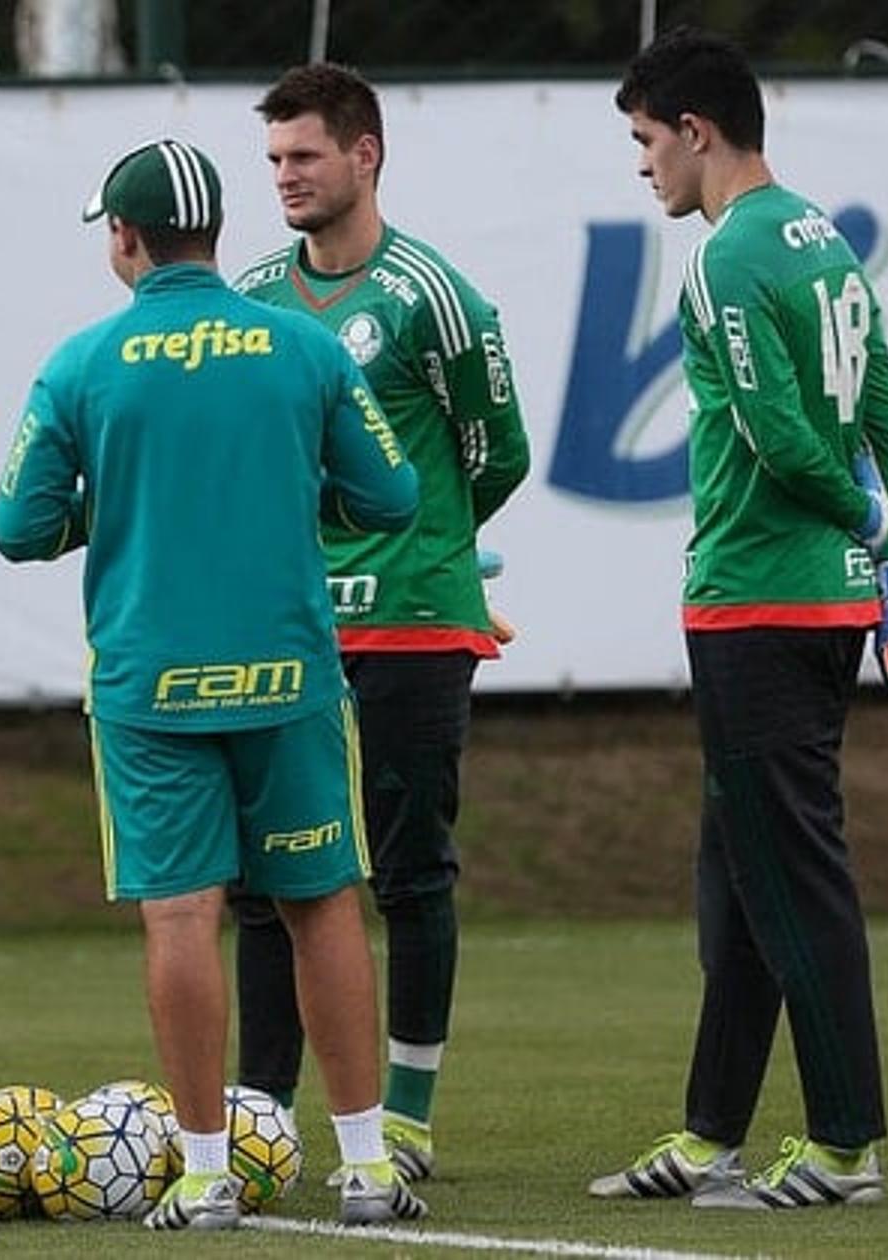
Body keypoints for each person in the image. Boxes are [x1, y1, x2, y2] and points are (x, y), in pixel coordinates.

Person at [0, 137, 429, 1230]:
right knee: (321, 903)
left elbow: (16, 528)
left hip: (151, 688)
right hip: (290, 673)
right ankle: (370, 1165)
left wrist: (120, 505)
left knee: (182, 914)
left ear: (125, 238)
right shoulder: (306, 348)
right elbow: (394, 496)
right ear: (219, 235)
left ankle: (202, 1172)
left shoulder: (82, 363)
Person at [590, 27, 888, 1210]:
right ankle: (709, 1135)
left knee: (791, 878)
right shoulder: (821, 238)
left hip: (759, 598)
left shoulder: (727, 255)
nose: (641, 165)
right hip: (819, 598)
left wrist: (862, 515)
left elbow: (787, 438)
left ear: (695, 129)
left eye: (645, 139)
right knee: (737, 882)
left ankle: (845, 1144)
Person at [228, 62, 531, 1184]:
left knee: (410, 873)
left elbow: (499, 450)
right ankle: (260, 1116)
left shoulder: (432, 297)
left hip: (409, 620)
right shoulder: (255, 297)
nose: (286, 179)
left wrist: (431, 544)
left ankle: (404, 1112)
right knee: (271, 877)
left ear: (365, 155)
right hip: (290, 630)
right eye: (273, 161)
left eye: (304, 156)